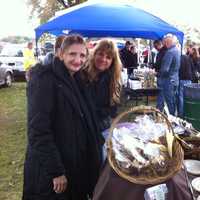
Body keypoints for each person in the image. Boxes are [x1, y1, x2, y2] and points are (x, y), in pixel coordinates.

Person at [22, 34, 104, 200]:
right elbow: (38, 130)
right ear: (61, 54)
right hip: (52, 171)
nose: (77, 60)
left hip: (74, 165)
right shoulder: (44, 80)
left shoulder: (77, 79)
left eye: (82, 55)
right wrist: (56, 171)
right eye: (72, 54)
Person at [81, 39, 122, 133]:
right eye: (101, 54)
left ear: (112, 61)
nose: (103, 59)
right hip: (81, 126)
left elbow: (113, 109)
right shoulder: (82, 74)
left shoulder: (114, 80)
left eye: (108, 57)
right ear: (94, 54)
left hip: (102, 126)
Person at [159, 34, 181, 115]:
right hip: (175, 79)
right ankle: (172, 118)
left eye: (165, 42)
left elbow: (165, 69)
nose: (164, 44)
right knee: (172, 101)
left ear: (168, 42)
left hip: (168, 80)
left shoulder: (170, 52)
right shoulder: (177, 50)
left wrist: (158, 74)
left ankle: (171, 120)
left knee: (169, 102)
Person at [153, 39, 167, 112]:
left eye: (155, 46)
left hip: (161, 76)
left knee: (160, 93)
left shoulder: (163, 52)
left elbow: (160, 65)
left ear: (159, 44)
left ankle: (159, 109)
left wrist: (154, 66)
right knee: (161, 93)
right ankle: (159, 108)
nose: (155, 48)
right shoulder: (162, 52)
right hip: (160, 75)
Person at [178, 53, 193, 117]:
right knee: (188, 97)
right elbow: (192, 68)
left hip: (182, 79)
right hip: (189, 79)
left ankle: (181, 114)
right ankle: (188, 113)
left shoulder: (179, 58)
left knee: (181, 97)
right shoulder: (189, 58)